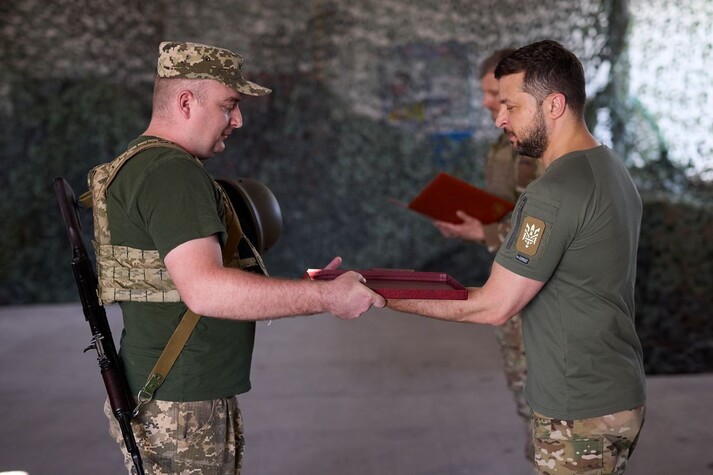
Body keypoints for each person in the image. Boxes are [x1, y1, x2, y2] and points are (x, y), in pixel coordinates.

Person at [87, 41, 385, 474]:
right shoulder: (172, 173)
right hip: (182, 403)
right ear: (186, 102)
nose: (238, 120)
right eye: (229, 105)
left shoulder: (139, 165)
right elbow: (206, 290)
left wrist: (308, 289)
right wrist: (328, 298)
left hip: (167, 391)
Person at [389, 40, 646, 474]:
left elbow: (493, 306)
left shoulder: (553, 193)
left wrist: (383, 295)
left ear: (554, 105)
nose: (499, 118)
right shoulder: (608, 166)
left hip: (579, 408)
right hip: (613, 391)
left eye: (510, 105)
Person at [432, 48, 543, 461]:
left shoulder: (541, 149)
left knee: (544, 404)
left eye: (495, 94)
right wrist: (478, 226)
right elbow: (513, 210)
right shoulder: (503, 143)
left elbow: (545, 224)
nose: (486, 103)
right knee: (527, 400)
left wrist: (487, 232)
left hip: (536, 293)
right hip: (512, 281)